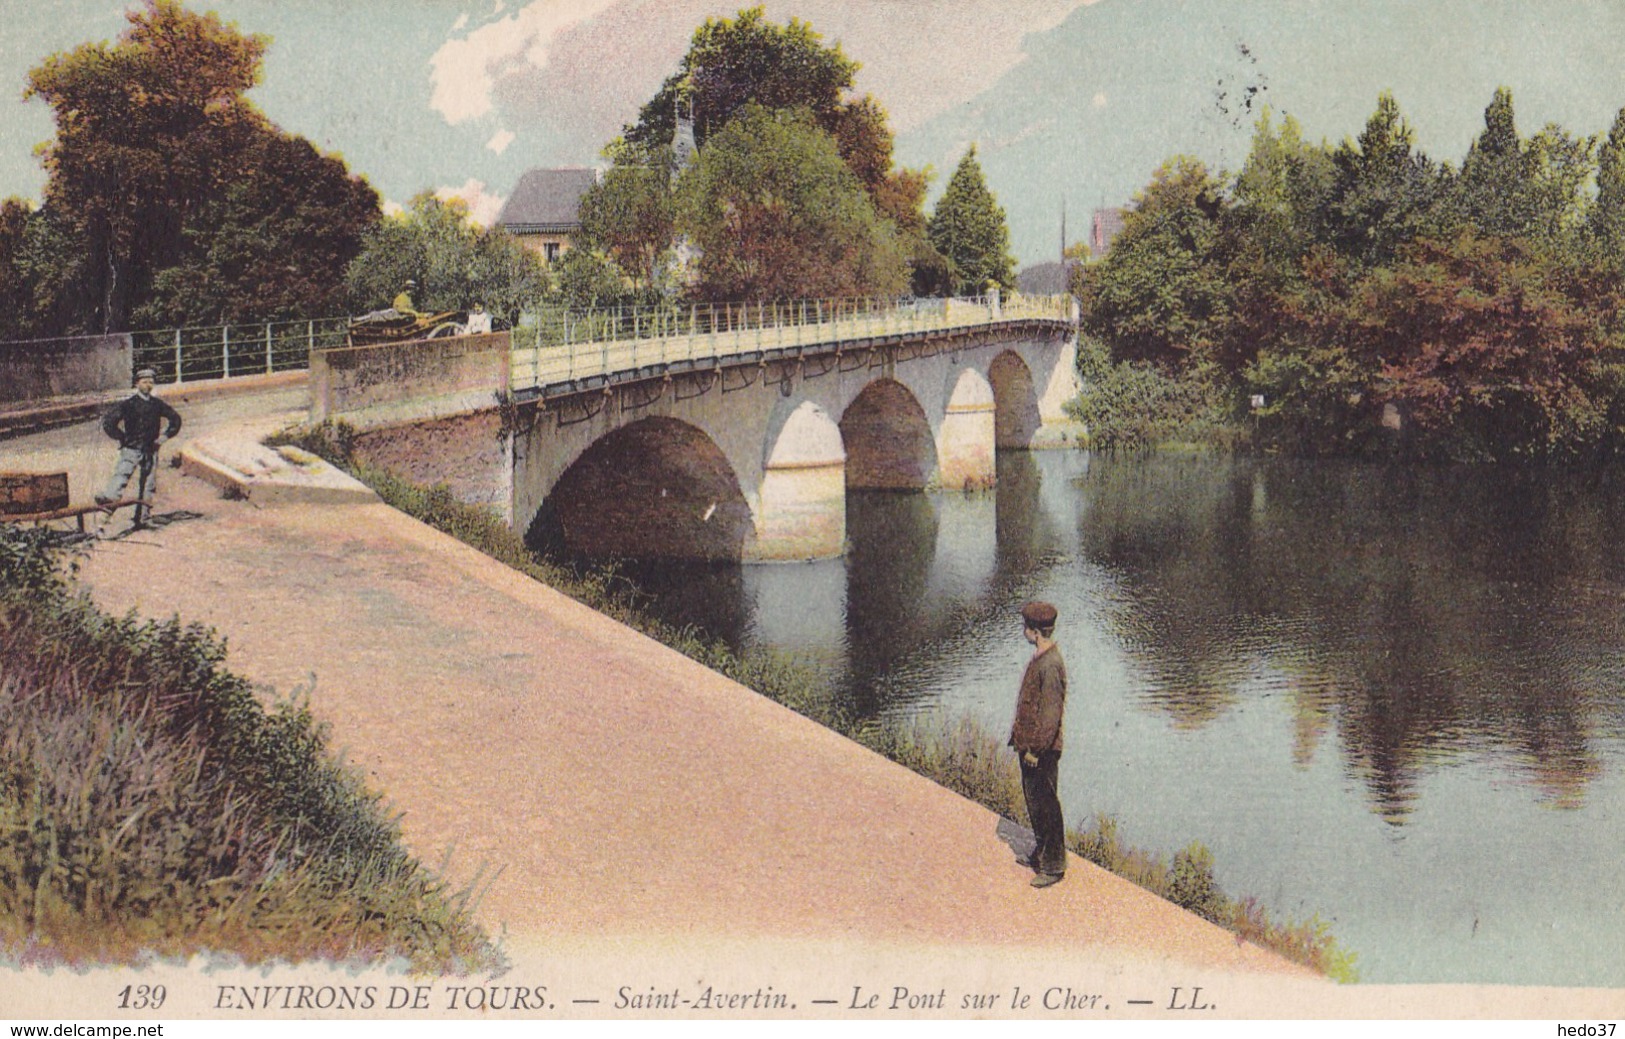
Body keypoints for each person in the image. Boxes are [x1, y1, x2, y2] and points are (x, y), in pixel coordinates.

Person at [1009, 600, 1068, 888]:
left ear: (1034, 631)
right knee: (1035, 802)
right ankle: (1042, 853)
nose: (1024, 631)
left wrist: (1035, 750)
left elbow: (1050, 717)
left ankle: (1054, 866)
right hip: (1030, 748)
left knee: (1047, 805)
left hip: (1040, 752)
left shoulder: (1051, 664)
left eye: (1026, 627)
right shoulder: (1042, 658)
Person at [96, 368, 182, 527]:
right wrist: (122, 438)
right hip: (131, 450)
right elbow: (109, 423)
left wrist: (164, 437)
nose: (148, 385)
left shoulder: (157, 404)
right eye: (144, 382)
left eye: (151, 382)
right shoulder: (128, 404)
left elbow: (175, 419)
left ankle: (143, 519)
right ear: (137, 384)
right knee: (120, 480)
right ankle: (102, 520)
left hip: (151, 451)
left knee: (148, 485)